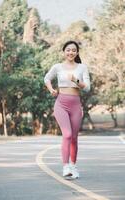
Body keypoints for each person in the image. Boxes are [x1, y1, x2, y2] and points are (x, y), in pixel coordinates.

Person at [44, 40, 90, 179]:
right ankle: (65, 167)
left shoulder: (82, 67)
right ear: (64, 51)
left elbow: (87, 88)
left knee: (74, 138)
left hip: (76, 105)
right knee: (67, 135)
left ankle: (73, 166)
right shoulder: (57, 67)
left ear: (77, 52)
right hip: (61, 104)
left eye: (74, 50)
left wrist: (76, 80)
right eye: (68, 50)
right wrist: (51, 89)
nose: (71, 52)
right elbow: (47, 78)